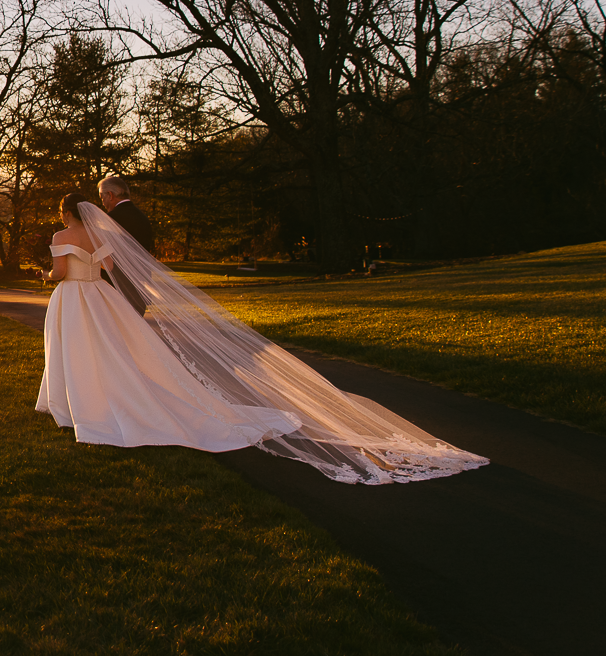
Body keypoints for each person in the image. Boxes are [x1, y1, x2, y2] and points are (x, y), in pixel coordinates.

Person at [36, 192, 488, 485]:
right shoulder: (102, 235)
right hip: (101, 296)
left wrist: (46, 275)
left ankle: (77, 405)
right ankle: (105, 401)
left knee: (77, 352)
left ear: (65, 214)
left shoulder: (61, 235)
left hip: (73, 299)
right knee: (112, 354)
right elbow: (115, 271)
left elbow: (58, 272)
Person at [96, 175, 155, 314]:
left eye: (102, 197)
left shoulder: (110, 220)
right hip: (140, 286)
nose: (103, 203)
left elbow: (104, 254)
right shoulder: (143, 218)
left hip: (115, 288)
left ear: (110, 195)